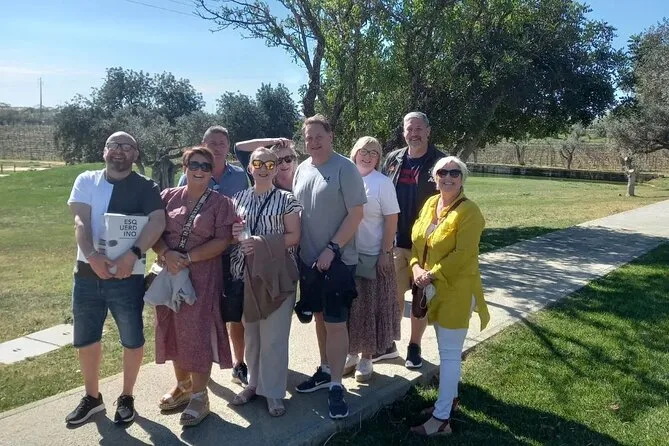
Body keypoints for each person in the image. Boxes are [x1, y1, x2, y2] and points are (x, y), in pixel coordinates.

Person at [65, 131, 166, 425]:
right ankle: (92, 397)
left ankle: (127, 396)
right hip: (87, 274)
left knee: (132, 339)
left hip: (127, 277)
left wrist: (132, 254)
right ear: (104, 151)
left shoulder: (146, 186)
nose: (119, 150)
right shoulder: (86, 180)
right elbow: (80, 220)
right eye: (113, 145)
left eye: (127, 146)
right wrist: (92, 256)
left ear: (135, 154)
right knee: (86, 338)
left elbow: (158, 221)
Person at [153, 147, 236, 426]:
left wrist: (187, 258)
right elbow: (153, 232)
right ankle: (183, 386)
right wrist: (166, 253)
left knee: (197, 333)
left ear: (212, 172)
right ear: (184, 167)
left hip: (202, 276)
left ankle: (200, 396)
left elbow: (222, 241)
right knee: (173, 328)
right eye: (194, 164)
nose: (199, 170)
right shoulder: (167, 197)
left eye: (205, 166)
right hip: (169, 272)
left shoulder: (221, 203)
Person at [408, 156, 490, 437]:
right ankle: (449, 401)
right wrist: (415, 267)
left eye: (455, 173)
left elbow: (463, 254)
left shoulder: (470, 212)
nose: (448, 177)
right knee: (445, 350)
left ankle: (442, 420)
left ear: (462, 178)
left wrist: (430, 274)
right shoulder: (431, 203)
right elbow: (417, 241)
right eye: (442, 172)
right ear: (435, 177)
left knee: (450, 354)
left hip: (457, 289)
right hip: (432, 286)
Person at [292, 115, 367, 419]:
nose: (313, 142)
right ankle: (325, 370)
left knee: (336, 323)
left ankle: (337, 385)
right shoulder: (302, 169)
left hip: (337, 262)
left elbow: (356, 214)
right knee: (320, 318)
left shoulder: (345, 168)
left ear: (331, 136)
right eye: (308, 137)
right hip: (309, 261)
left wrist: (332, 248)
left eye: (318, 136)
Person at [228, 148, 302, 417]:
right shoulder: (237, 198)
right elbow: (232, 235)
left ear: (276, 168)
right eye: (257, 163)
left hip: (276, 275)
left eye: (269, 164)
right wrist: (234, 233)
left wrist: (260, 243)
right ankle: (253, 385)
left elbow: (294, 236)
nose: (263, 168)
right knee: (252, 334)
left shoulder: (286, 199)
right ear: (249, 168)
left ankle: (273, 392)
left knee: (274, 337)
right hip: (246, 274)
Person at [178, 126, 250, 387]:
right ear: (203, 144)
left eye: (222, 142)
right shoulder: (189, 175)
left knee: (235, 312)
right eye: (212, 142)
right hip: (200, 258)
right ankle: (200, 368)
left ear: (228, 146)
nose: (217, 147)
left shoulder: (240, 176)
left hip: (233, 255)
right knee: (200, 314)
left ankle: (239, 364)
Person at [381, 112, 445, 369]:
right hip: (397, 241)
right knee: (394, 296)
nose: (414, 133)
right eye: (410, 129)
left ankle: (414, 346)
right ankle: (390, 344)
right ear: (403, 132)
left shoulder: (441, 162)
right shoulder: (393, 159)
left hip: (427, 245)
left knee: (420, 299)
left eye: (419, 129)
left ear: (428, 131)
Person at [344, 137, 401, 382]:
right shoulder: (346, 177)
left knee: (369, 307)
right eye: (363, 151)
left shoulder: (382, 183)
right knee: (349, 307)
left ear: (379, 158)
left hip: (372, 255)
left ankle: (367, 357)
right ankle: (350, 352)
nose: (367, 156)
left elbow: (391, 219)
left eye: (373, 153)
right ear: (355, 152)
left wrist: (385, 252)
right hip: (346, 254)